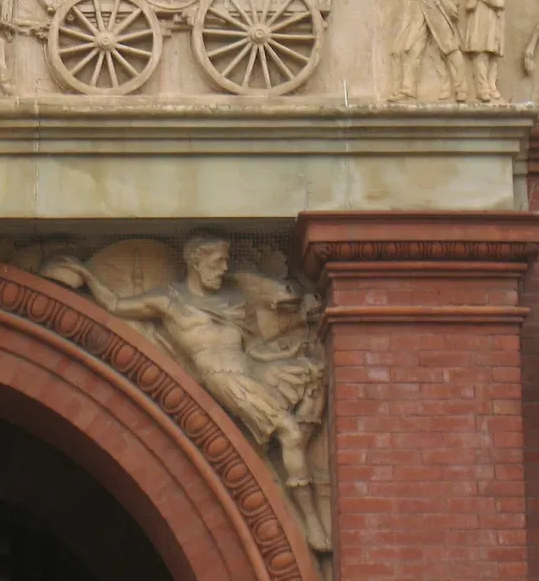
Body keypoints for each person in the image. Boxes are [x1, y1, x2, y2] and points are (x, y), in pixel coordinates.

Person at [52, 235, 331, 552]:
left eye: (226, 261)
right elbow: (116, 305)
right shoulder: (169, 300)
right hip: (224, 380)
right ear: (195, 262)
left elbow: (251, 349)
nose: (223, 269)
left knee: (311, 373)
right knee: (290, 434)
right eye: (217, 262)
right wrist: (85, 275)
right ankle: (310, 521)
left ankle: (294, 483)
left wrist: (287, 350)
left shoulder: (233, 300)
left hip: (251, 372)